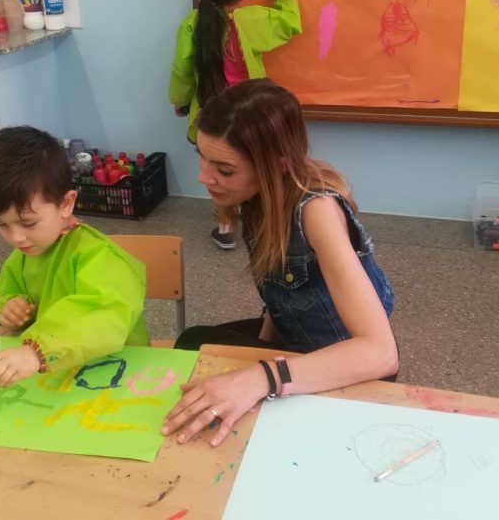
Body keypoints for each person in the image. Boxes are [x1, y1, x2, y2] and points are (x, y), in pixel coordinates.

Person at [161, 79, 398, 447]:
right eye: (201, 157)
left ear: (276, 166)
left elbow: (381, 354)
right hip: (296, 339)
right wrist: (261, 346)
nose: (203, 176)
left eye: (225, 169)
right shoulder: (261, 195)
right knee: (194, 343)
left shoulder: (317, 211)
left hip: (345, 363)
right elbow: (283, 290)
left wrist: (260, 376)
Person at [0, 126, 149, 388]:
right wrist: (9, 307)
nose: (16, 238)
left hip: (116, 372)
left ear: (66, 204)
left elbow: (104, 316)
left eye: (28, 223)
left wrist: (37, 351)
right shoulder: (26, 253)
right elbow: (7, 290)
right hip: (57, 371)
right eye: (2, 224)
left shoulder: (99, 257)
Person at [169, 0, 302, 251]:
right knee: (258, 165)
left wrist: (179, 101)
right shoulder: (252, 19)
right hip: (251, 116)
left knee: (218, 171)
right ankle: (268, 222)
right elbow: (290, 23)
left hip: (212, 117)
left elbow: (181, 72)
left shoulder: (192, 23)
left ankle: (225, 227)